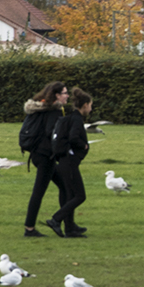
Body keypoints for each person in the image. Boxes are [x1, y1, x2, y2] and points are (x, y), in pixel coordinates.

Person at [21, 81, 69, 237]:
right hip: (45, 156)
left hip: (36, 154)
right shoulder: (54, 111)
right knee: (39, 192)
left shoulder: (38, 107)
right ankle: (30, 228)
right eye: (64, 93)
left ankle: (65, 223)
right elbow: (51, 132)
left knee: (65, 186)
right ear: (57, 95)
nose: (67, 96)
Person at [47, 86, 93, 238]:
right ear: (85, 105)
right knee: (80, 196)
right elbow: (73, 138)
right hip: (69, 163)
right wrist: (84, 145)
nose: (91, 109)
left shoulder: (72, 117)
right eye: (90, 106)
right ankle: (55, 219)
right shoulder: (77, 120)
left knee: (70, 195)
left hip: (65, 162)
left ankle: (70, 229)